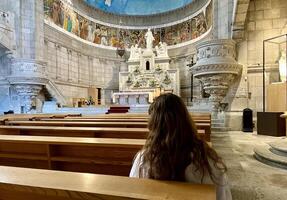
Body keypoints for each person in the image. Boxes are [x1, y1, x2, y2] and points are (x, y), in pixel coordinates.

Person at [129, 93, 232, 200]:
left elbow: (133, 192)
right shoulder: (207, 160)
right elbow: (223, 196)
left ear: (153, 125)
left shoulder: (144, 158)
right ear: (186, 119)